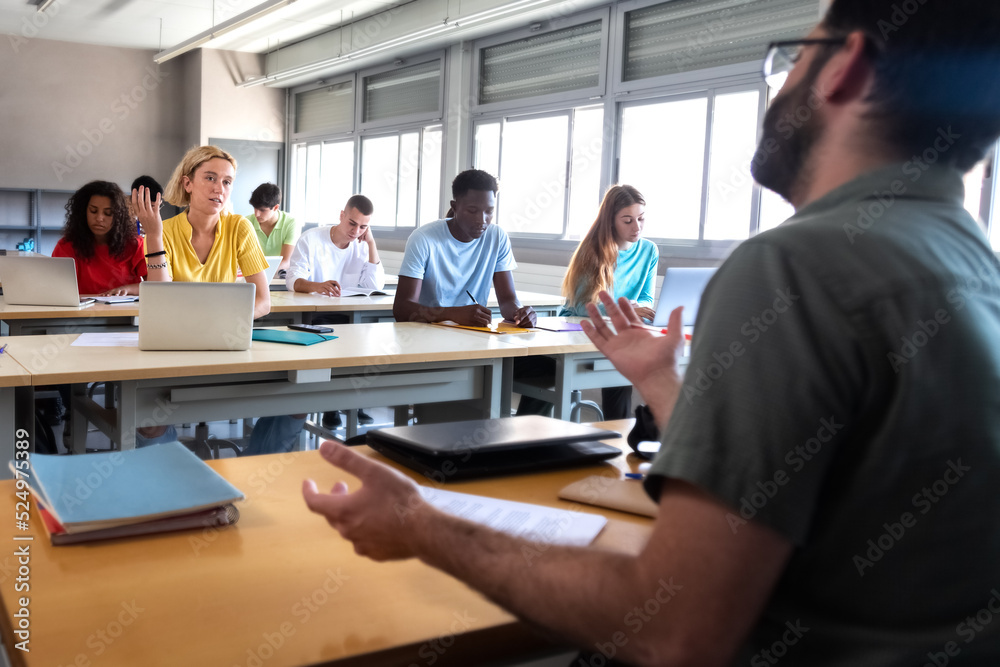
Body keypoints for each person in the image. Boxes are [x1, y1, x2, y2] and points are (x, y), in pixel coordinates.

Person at [302, 1, 1000, 664]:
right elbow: (840, 481)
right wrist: (665, 383)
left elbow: (675, 629)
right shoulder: (972, 264)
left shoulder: (794, 265)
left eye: (792, 58)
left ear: (845, 66)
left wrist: (421, 522)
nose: (779, 82)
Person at [133, 145, 303, 453]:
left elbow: (263, 301)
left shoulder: (239, 227)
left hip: (228, 344)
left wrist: (224, 324)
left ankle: (254, 480)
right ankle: (175, 491)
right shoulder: (164, 232)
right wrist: (154, 236)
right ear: (188, 184)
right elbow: (161, 298)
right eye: (210, 178)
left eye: (226, 182)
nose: (219, 188)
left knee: (297, 400)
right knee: (149, 421)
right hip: (174, 346)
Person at [516, 184, 657, 419]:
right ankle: (523, 435)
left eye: (641, 219)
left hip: (614, 334)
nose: (637, 227)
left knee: (620, 370)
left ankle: (616, 442)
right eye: (628, 220)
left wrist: (639, 308)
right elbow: (581, 307)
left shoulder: (649, 250)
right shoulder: (592, 250)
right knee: (608, 367)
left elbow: (646, 298)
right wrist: (621, 309)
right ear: (611, 220)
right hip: (574, 331)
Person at [393, 169, 536, 328]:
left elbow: (508, 300)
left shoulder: (497, 237)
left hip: (473, 332)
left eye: (489, 211)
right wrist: (453, 314)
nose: (482, 220)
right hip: (428, 331)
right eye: (472, 211)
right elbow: (402, 309)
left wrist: (519, 313)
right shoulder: (423, 238)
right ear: (454, 207)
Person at [286, 194, 383, 427]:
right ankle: (329, 405)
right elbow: (293, 279)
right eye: (352, 223)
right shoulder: (312, 239)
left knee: (365, 340)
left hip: (350, 314)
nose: (355, 231)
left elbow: (374, 286)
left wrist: (371, 243)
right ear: (342, 215)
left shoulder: (362, 244)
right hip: (316, 314)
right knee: (333, 341)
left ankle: (353, 403)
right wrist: (317, 286)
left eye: (363, 227)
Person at [52, 180, 146, 296]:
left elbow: (153, 286)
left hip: (123, 312)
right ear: (83, 212)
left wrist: (127, 290)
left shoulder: (135, 245)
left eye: (108, 213)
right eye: (93, 211)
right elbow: (57, 288)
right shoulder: (66, 246)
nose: (99, 218)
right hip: (81, 313)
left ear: (118, 216)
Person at [247, 182, 298, 272]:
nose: (256, 214)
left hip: (278, 277)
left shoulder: (290, 223)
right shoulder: (247, 222)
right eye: (255, 208)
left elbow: (286, 261)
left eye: (262, 210)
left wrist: (260, 272)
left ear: (275, 207)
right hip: (252, 276)